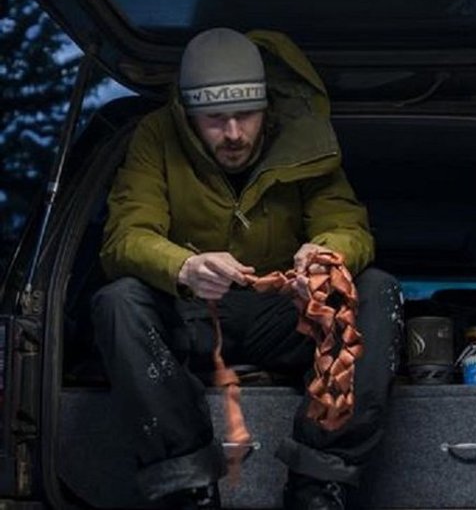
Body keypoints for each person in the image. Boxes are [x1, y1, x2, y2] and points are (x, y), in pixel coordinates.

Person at [92, 28, 403, 510]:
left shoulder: (304, 136)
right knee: (117, 301)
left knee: (376, 288)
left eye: (247, 115)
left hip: (285, 314)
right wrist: (185, 267)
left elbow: (349, 228)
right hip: (192, 316)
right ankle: (186, 487)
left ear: (266, 108)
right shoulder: (155, 137)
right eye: (216, 120)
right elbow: (124, 238)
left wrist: (322, 255)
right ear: (188, 115)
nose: (234, 134)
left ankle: (319, 483)